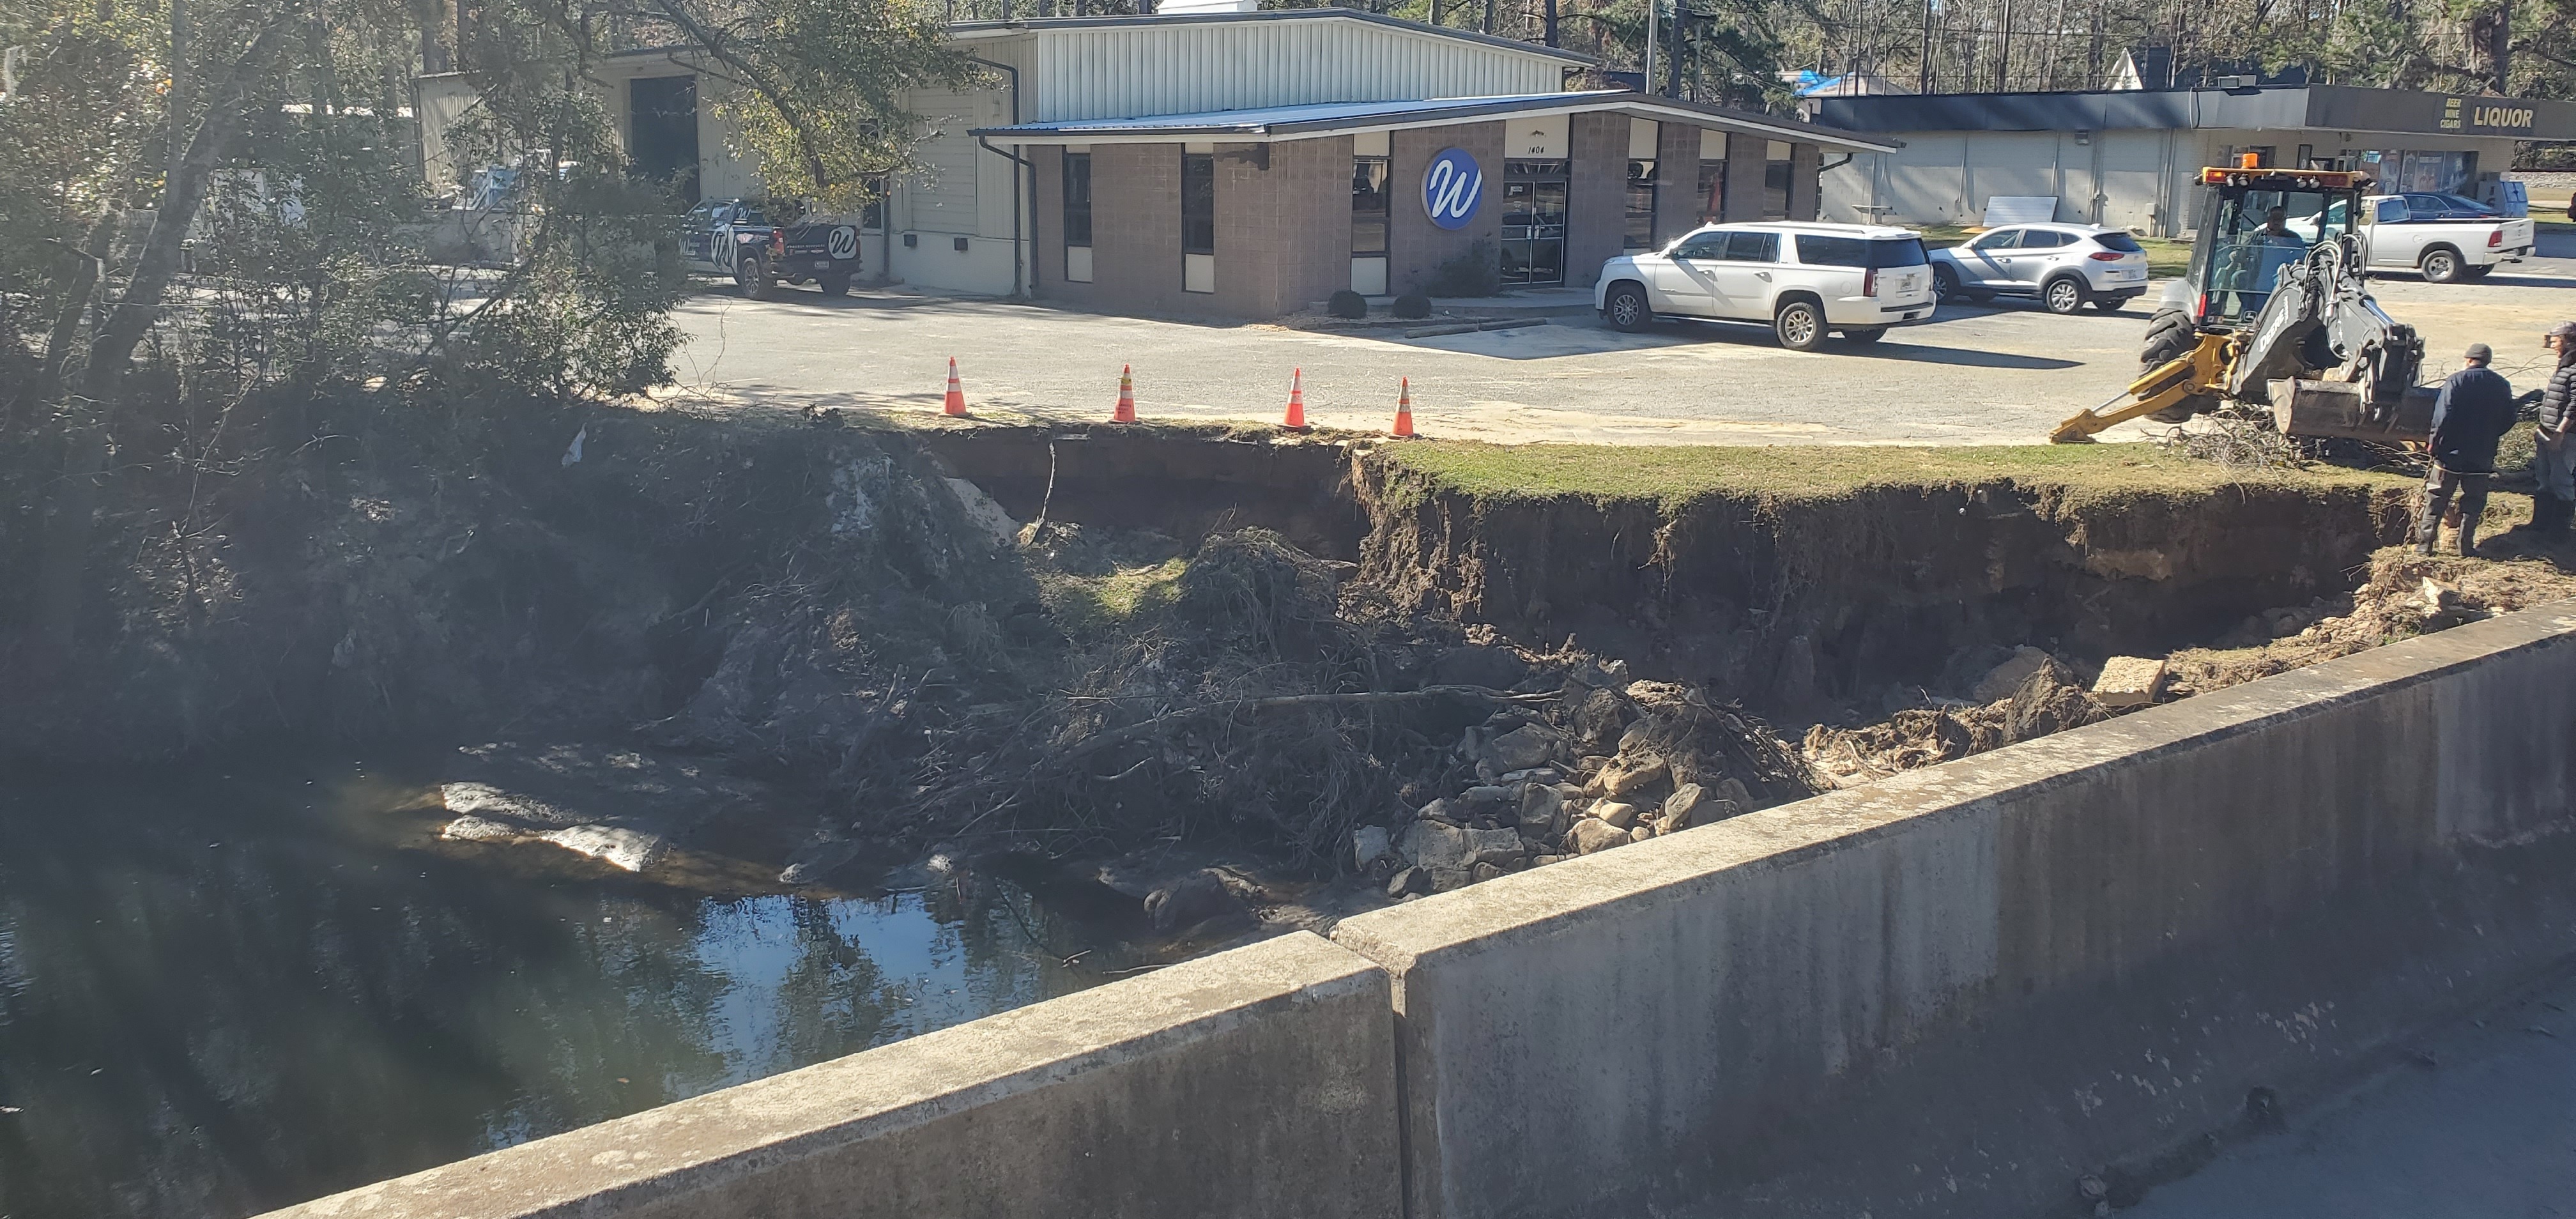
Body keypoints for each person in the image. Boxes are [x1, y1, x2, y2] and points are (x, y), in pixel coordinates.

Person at [2419, 342, 2518, 557]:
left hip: (2451, 454)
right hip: (2482, 454)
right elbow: (2510, 418)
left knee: (2437, 498)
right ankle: (2465, 547)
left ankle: (2425, 546)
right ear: (2488, 361)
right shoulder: (2502, 385)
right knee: (2474, 501)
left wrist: (2434, 442)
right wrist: (2490, 435)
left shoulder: (2457, 380)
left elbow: (2442, 416)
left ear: (2468, 359)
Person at [2533, 321, 2576, 539]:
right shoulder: (2565, 365)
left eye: (2556, 341)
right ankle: (2540, 526)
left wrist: (2560, 433)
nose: (2552, 346)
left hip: (2565, 436)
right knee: (2544, 478)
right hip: (2547, 431)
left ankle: (2559, 533)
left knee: (2561, 479)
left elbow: (2575, 404)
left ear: (2568, 340)